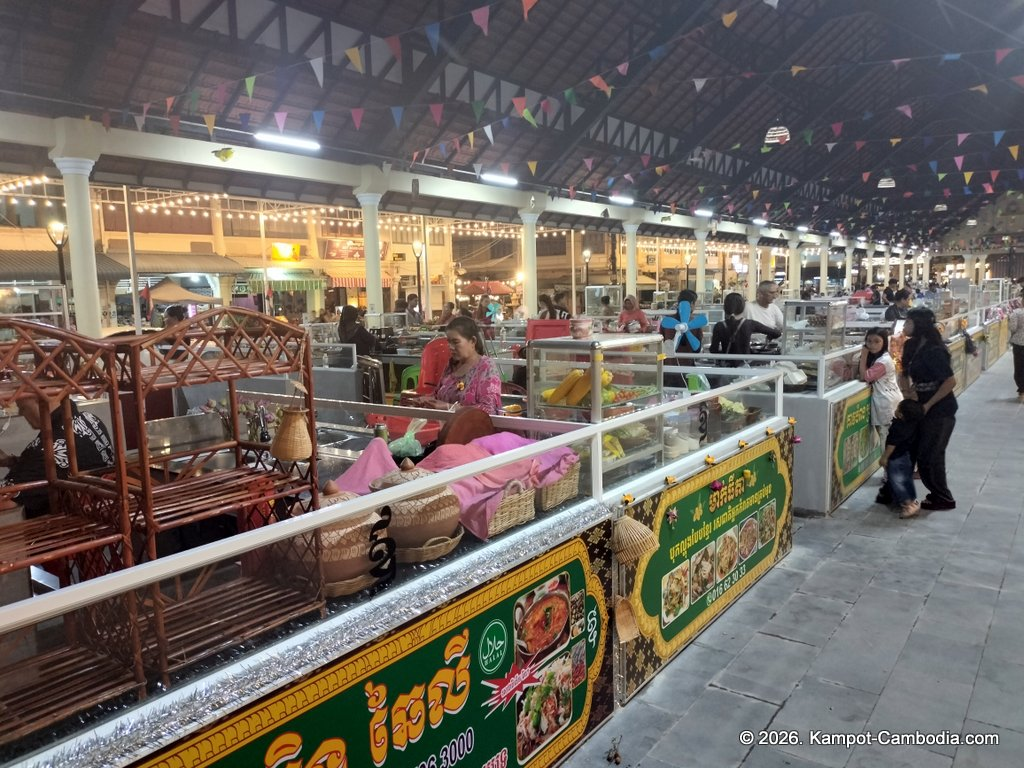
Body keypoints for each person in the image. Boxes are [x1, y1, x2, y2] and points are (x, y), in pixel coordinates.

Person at [0, 396, 115, 518]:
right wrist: (10, 461)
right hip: (104, 513)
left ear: (41, 400)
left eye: (23, 408)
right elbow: (61, 468)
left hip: (66, 526)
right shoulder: (90, 419)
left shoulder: (45, 451)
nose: (21, 413)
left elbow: (4, 499)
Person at [899, 306, 957, 510]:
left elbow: (949, 382)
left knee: (931, 455)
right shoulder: (910, 346)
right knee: (920, 452)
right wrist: (908, 393)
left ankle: (943, 497)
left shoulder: (934, 350)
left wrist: (928, 404)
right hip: (920, 406)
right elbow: (903, 373)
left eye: (909, 322)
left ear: (919, 325)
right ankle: (935, 494)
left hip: (941, 409)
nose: (905, 325)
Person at [412, 316, 501, 415]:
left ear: (473, 341)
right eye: (449, 342)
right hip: (445, 426)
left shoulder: (486, 367)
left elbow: (489, 409)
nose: (450, 347)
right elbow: (438, 395)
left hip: (473, 428)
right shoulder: (451, 365)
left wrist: (448, 407)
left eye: (455, 342)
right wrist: (426, 400)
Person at [881, 399, 925, 519]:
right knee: (906, 480)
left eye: (897, 408)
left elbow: (891, 445)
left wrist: (884, 458)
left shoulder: (898, 427)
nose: (895, 410)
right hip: (907, 456)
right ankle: (912, 501)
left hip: (896, 458)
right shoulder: (913, 424)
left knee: (897, 481)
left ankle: (909, 505)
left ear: (900, 414)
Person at [711, 293, 781, 365]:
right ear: (743, 307)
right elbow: (777, 333)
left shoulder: (719, 326)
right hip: (745, 365)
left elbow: (713, 350)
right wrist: (769, 337)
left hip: (727, 366)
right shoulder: (749, 324)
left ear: (725, 308)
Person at [744, 281, 784, 346]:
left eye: (776, 292)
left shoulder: (774, 308)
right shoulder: (747, 307)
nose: (775, 296)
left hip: (768, 346)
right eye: (771, 293)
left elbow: (783, 326)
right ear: (761, 293)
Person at [1008, 301, 1024, 401]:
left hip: (1019, 343)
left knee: (1019, 367)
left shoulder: (1016, 313)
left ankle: (1022, 392)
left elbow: (1012, 327)